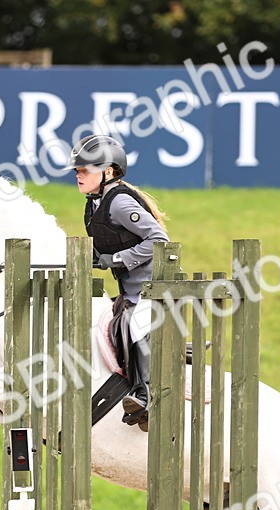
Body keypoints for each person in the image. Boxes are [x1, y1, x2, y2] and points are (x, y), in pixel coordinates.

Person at [68, 133, 169, 429]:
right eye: (77, 170)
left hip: (153, 286)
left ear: (108, 171)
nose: (79, 175)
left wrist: (117, 260)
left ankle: (145, 395)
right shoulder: (94, 204)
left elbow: (158, 239)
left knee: (135, 324)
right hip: (130, 288)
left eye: (85, 169)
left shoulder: (120, 202)